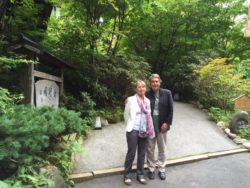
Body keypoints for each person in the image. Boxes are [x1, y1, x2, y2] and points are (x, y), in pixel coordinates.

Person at [123, 80, 155, 186]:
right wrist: (130, 126)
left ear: (146, 88)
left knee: (142, 154)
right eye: (139, 87)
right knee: (131, 153)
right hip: (133, 130)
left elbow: (148, 115)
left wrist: (148, 128)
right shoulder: (130, 100)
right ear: (136, 89)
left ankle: (140, 175)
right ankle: (127, 175)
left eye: (143, 86)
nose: (141, 89)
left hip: (144, 130)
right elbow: (126, 115)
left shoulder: (147, 101)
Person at [146, 74, 173, 180]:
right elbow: (137, 97)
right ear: (150, 83)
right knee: (150, 149)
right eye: (152, 81)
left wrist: (167, 123)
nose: (155, 83)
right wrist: (127, 100)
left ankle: (161, 169)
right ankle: (151, 169)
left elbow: (171, 110)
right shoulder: (147, 94)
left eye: (156, 81)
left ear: (160, 82)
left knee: (162, 149)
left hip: (162, 126)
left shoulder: (167, 93)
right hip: (150, 127)